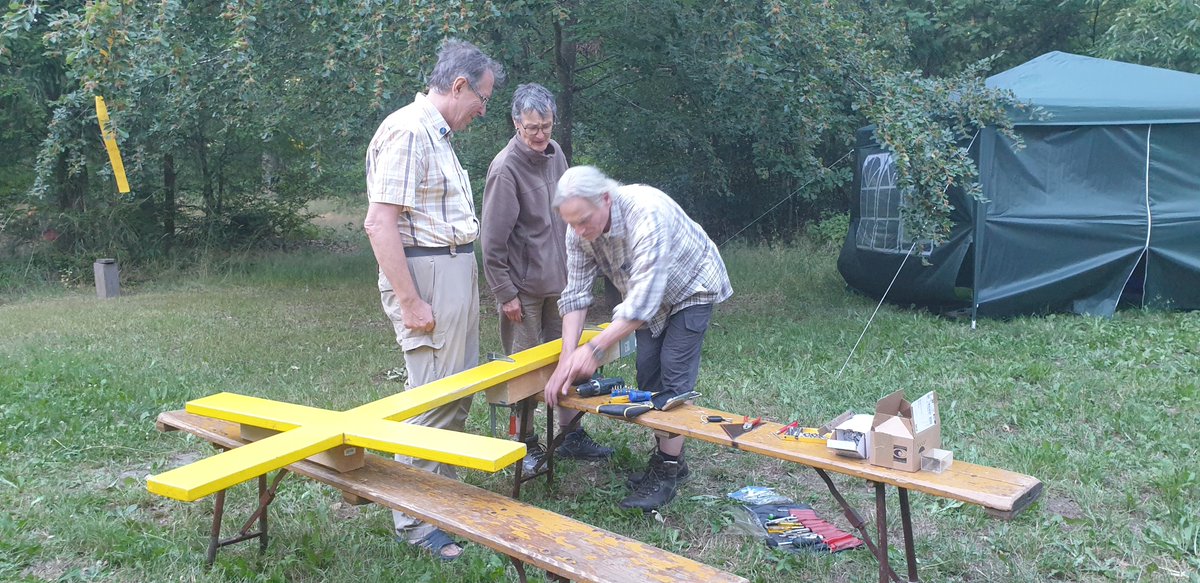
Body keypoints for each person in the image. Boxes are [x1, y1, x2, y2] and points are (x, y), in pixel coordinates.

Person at [363, 38, 504, 562]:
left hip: (451, 269)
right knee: (433, 402)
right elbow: (380, 224)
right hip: (426, 274)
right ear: (460, 85)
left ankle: (437, 505)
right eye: (482, 100)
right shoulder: (407, 130)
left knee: (455, 395)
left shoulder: (437, 134)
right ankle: (415, 523)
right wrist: (412, 301)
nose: (483, 111)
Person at [543, 165, 732, 511]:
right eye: (571, 223)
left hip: (692, 286)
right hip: (646, 300)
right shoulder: (579, 231)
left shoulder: (647, 212)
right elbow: (576, 296)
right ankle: (674, 457)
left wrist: (595, 349)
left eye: (584, 220)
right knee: (648, 376)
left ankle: (667, 471)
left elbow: (642, 302)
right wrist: (566, 358)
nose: (580, 231)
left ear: (605, 198)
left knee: (672, 377)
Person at [481, 83, 613, 472]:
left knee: (567, 359)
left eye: (546, 126)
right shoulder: (505, 168)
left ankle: (570, 435)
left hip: (562, 283)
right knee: (522, 374)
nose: (540, 135)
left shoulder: (557, 157)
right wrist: (505, 292)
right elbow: (492, 240)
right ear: (516, 123)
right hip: (523, 292)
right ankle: (525, 446)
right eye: (531, 128)